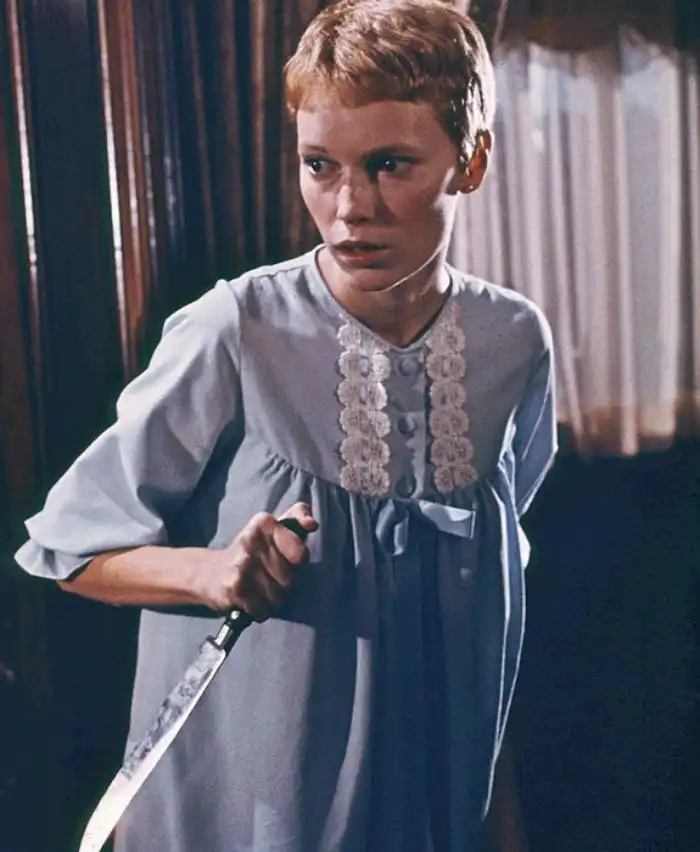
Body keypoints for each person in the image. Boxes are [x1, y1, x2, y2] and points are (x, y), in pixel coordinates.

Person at [15, 1, 557, 849]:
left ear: (472, 160)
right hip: (254, 794)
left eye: (389, 164)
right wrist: (210, 573)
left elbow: (491, 571)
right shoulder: (236, 329)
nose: (349, 206)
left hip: (430, 788)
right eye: (319, 166)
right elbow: (68, 551)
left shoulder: (514, 340)